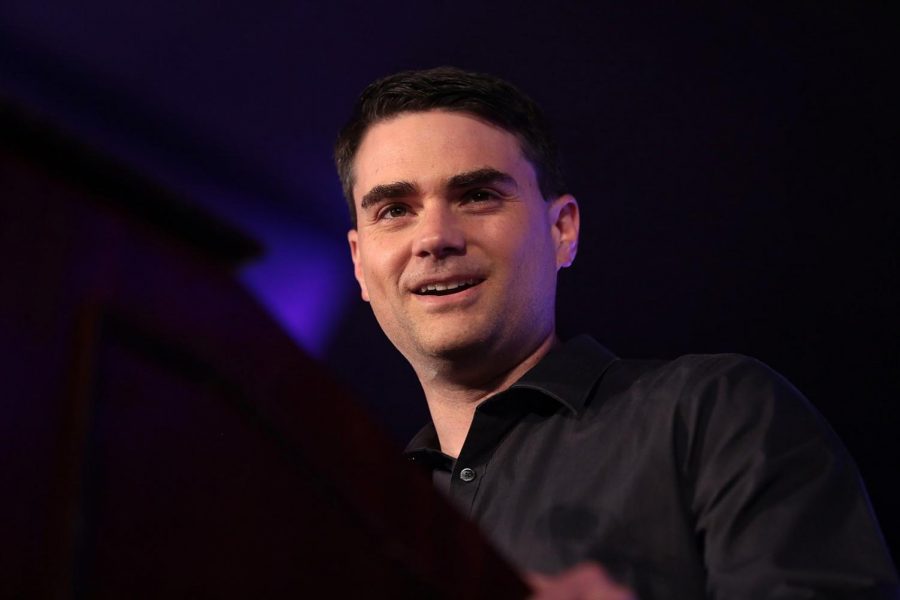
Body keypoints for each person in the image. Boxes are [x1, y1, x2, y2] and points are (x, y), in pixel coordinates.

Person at [333, 66, 898, 599]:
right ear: (360, 263)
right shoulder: (360, 515)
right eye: (393, 210)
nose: (434, 237)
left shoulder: (710, 412)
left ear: (563, 230)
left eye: (477, 195)